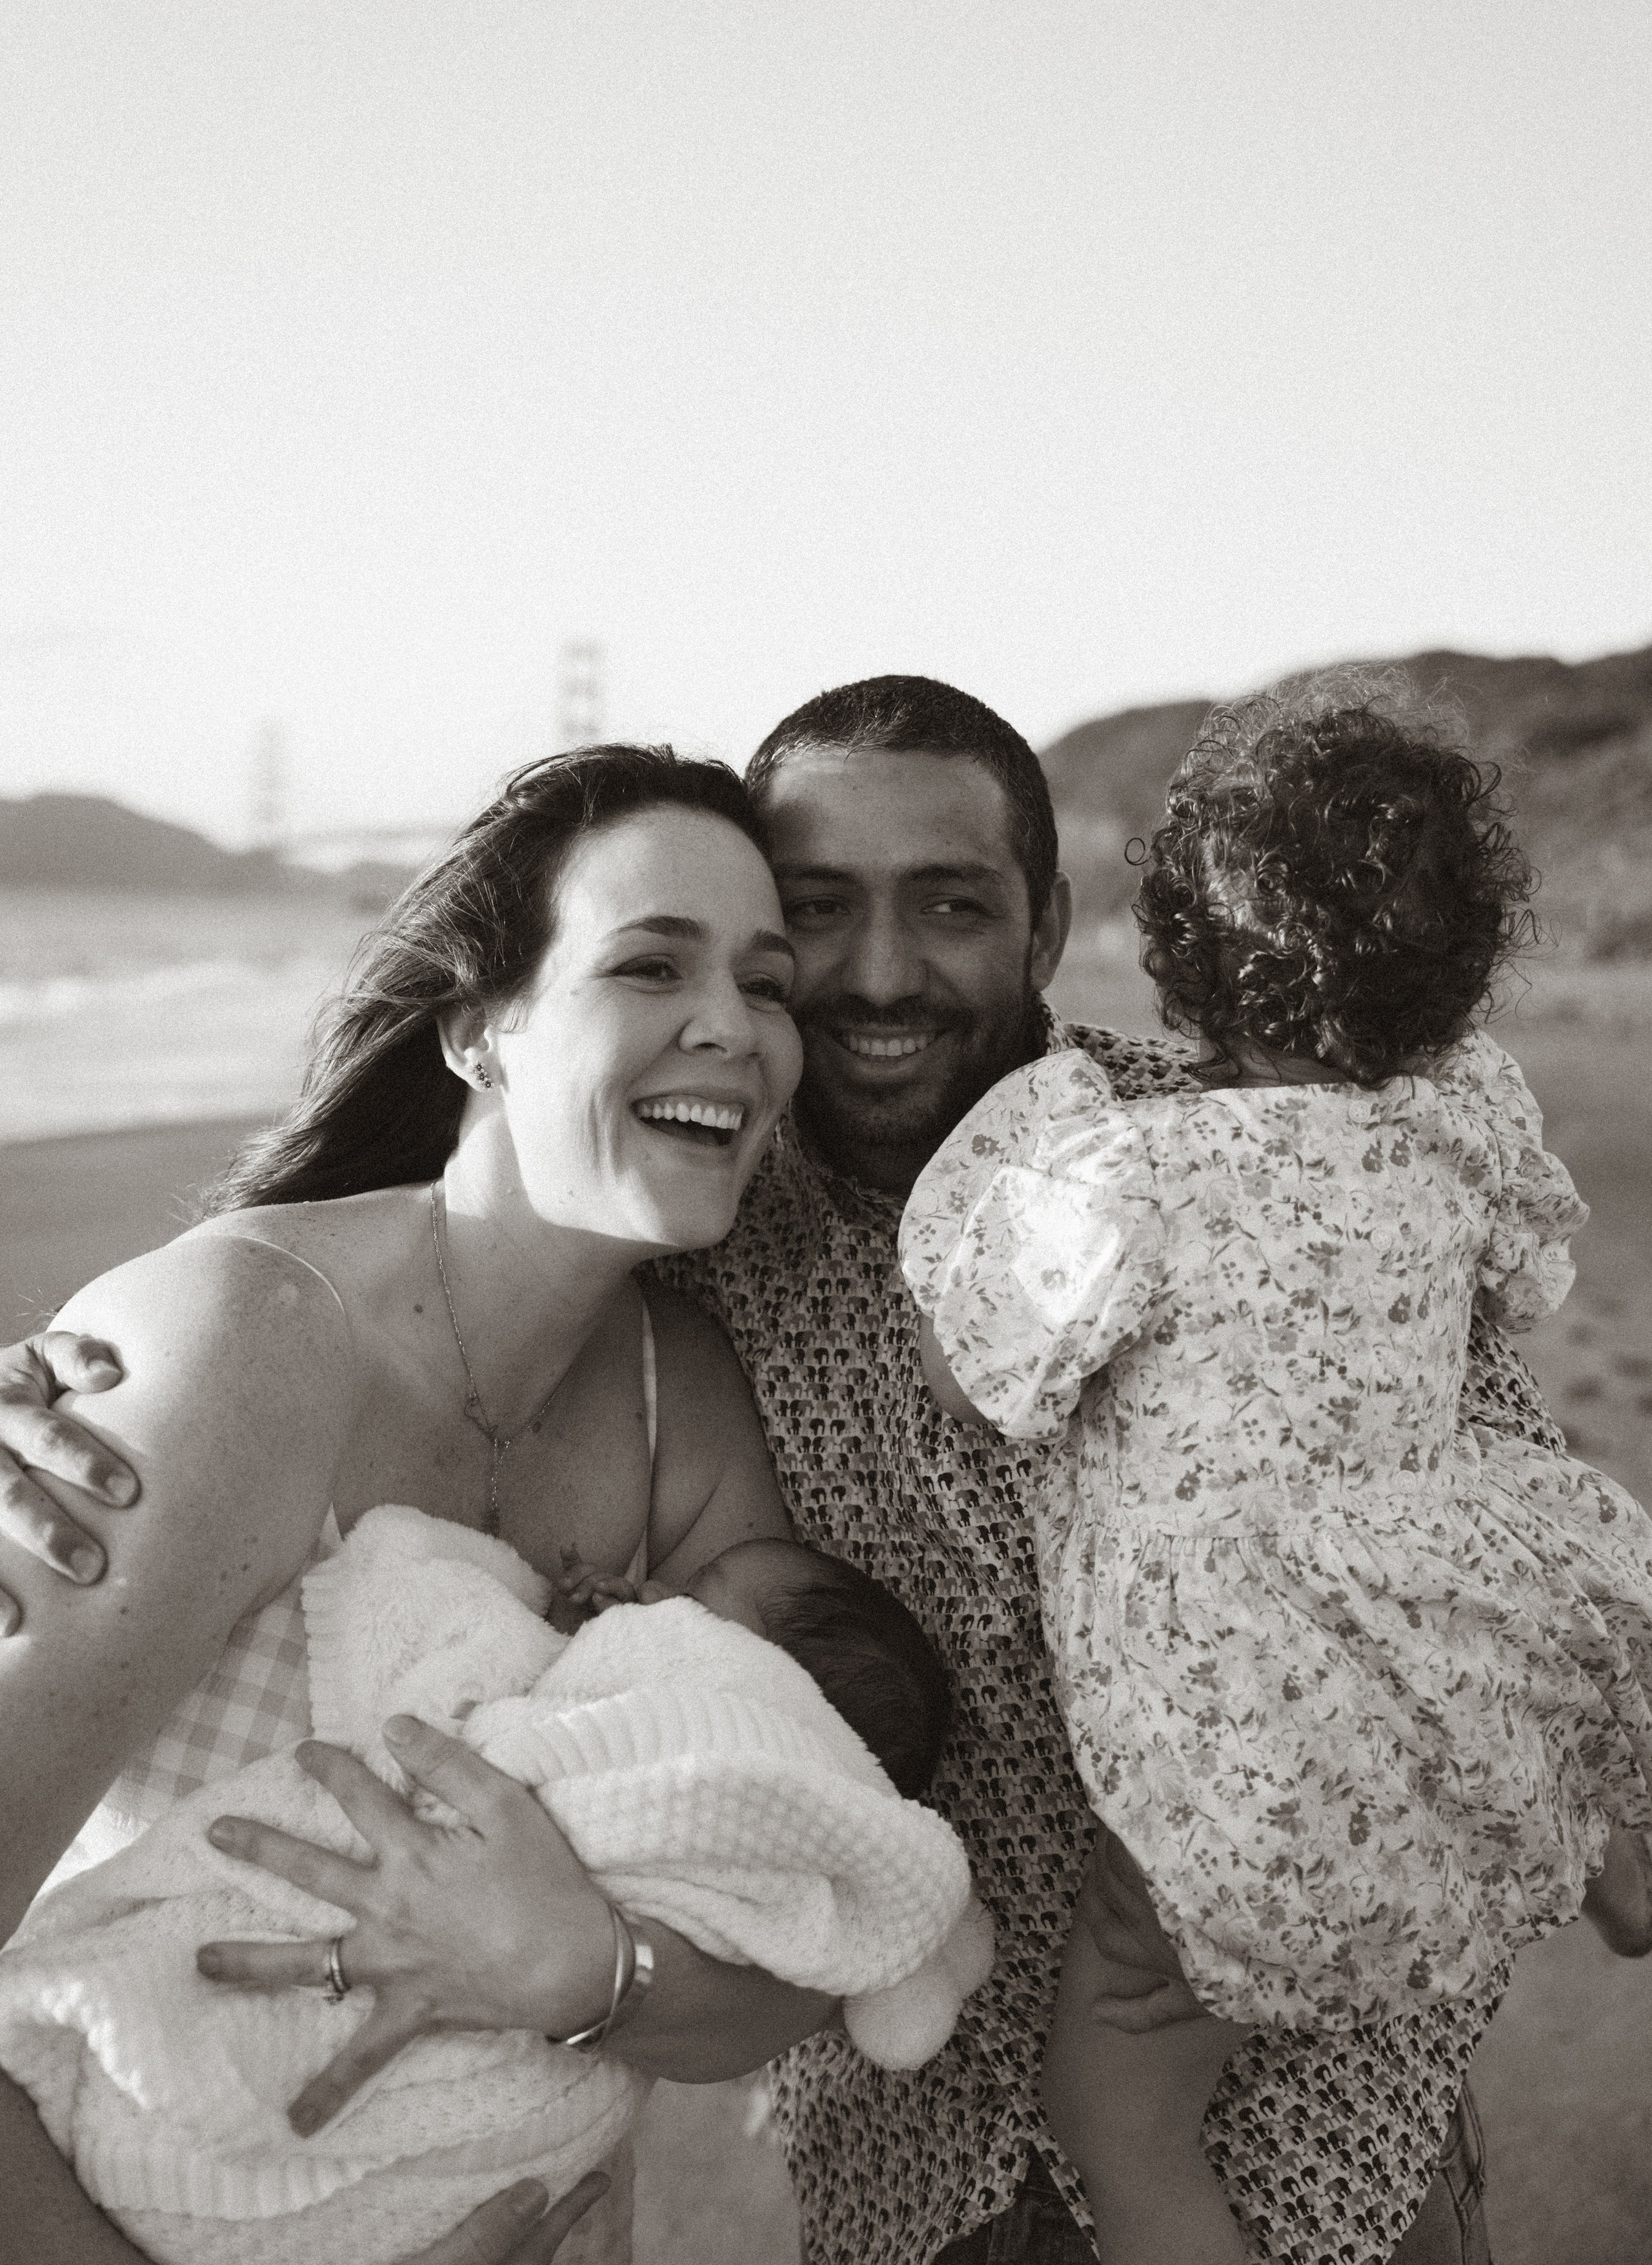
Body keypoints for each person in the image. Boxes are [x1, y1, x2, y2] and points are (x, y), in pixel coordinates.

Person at [0, 676, 1560, 2262]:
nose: (871, 975)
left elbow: (1515, 1534)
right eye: (809, 917)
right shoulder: (692, 1237)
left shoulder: (1246, 1152)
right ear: (478, 1022)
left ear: (1042, 927)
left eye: (949, 904)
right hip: (914, 2181)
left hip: (1300, 2145)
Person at [0, 743, 861, 2265]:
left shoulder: (681, 1411)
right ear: (477, 1031)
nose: (730, 1025)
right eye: (649, 964)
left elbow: (795, 1918)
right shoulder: (241, 1347)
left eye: (766, 982)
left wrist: (584, 1972)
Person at [900, 687, 1652, 2264]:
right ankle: (1605, 1852)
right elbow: (1523, 1286)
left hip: (1229, 1754)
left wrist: (988, 1188)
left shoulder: (1135, 1175)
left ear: (1174, 954)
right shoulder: (1458, 1131)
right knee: (1533, 1636)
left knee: (1115, 2105)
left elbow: (984, 1382)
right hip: (1420, 1699)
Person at [1, 1502, 978, 2264]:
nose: (650, 1589)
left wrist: (581, 1962)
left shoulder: (724, 1753)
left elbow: (491, 1704)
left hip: (502, 2118)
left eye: (692, 1594)